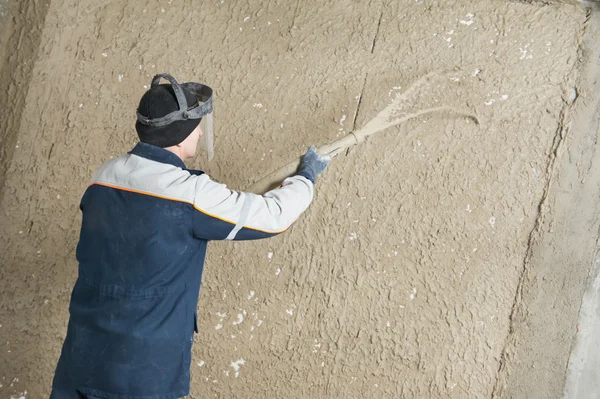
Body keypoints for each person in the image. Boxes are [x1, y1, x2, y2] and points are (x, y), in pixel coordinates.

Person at [50, 73, 331, 399]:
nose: (199, 131)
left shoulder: (103, 176)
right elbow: (274, 216)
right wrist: (306, 177)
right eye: (196, 125)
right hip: (141, 372)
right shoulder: (192, 195)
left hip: (82, 356)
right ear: (180, 135)